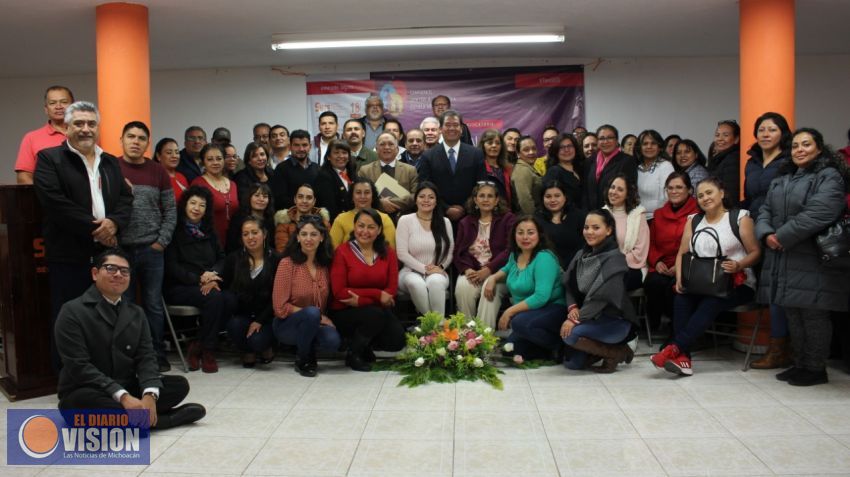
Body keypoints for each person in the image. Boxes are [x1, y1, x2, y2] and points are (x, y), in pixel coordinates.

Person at [55, 248, 206, 429]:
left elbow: (146, 356)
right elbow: (78, 366)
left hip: (126, 384)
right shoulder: (72, 311)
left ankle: (130, 417)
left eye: (124, 271)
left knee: (179, 385)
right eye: (111, 268)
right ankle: (166, 420)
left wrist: (149, 394)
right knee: (78, 404)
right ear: (95, 273)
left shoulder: (136, 313)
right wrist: (123, 397)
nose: (118, 274)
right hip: (88, 389)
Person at [34, 101, 133, 368]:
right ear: (66, 127)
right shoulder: (49, 158)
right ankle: (68, 378)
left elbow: (125, 199)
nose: (85, 129)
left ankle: (105, 373)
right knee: (69, 317)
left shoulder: (110, 161)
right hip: (69, 253)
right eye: (79, 123)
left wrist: (113, 223)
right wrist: (97, 230)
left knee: (107, 316)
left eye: (91, 124)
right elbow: (54, 202)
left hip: (107, 253)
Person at [756, 128, 850, 386]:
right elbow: (764, 210)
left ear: (819, 148)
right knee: (793, 312)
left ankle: (816, 368)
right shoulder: (783, 177)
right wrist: (765, 234)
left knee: (814, 314)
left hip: (813, 257)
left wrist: (781, 237)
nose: (799, 150)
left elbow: (820, 212)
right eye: (795, 145)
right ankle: (800, 364)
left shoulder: (829, 176)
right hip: (783, 256)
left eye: (806, 144)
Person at [651, 177, 761, 376]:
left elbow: (755, 252)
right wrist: (679, 279)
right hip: (700, 280)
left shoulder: (740, 217)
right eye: (700, 195)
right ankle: (684, 359)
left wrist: (738, 264)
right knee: (681, 296)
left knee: (711, 302)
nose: (705, 198)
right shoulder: (694, 220)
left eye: (709, 193)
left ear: (722, 193)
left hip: (735, 282)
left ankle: (674, 347)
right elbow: (682, 253)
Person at [117, 121, 177, 372]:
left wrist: (160, 242)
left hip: (152, 250)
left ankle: (156, 354)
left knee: (152, 304)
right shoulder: (111, 168)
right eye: (130, 136)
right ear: (122, 140)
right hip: (121, 251)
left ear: (147, 143)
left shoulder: (157, 171)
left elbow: (171, 210)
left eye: (141, 138)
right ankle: (130, 357)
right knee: (125, 306)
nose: (135, 141)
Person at [164, 186, 235, 373]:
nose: (197, 208)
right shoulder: (174, 231)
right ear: (185, 205)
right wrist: (199, 279)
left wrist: (212, 275)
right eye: (193, 203)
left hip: (208, 283)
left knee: (230, 299)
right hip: (180, 286)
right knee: (215, 297)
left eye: (202, 205)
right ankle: (208, 350)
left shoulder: (209, 231)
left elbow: (222, 257)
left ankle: (198, 345)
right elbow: (172, 267)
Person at [742, 112, 792, 370]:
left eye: (771, 129)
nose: (765, 134)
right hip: (754, 230)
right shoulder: (752, 161)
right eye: (761, 129)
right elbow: (748, 197)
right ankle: (778, 347)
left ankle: (781, 349)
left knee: (777, 292)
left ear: (782, 133)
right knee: (763, 289)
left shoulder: (790, 160)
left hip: (778, 233)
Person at [330, 208, 405, 371]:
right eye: (361, 226)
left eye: (371, 227)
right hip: (345, 311)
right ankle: (354, 353)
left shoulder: (388, 252)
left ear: (379, 230)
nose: (365, 231)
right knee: (374, 315)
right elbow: (340, 292)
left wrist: (363, 300)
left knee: (397, 340)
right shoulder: (342, 251)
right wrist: (377, 294)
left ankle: (365, 345)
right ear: (354, 227)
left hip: (375, 309)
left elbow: (391, 290)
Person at [561, 209, 636, 372]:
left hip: (613, 322)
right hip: (589, 318)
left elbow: (600, 299)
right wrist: (572, 307)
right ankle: (606, 351)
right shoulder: (581, 254)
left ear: (608, 230)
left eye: (596, 228)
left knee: (570, 334)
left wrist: (574, 319)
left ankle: (618, 352)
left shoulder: (615, 259)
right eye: (586, 227)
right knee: (572, 364)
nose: (589, 232)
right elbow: (568, 284)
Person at [484, 216, 566, 362]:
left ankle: (559, 345)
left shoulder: (544, 257)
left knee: (518, 323)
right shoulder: (516, 255)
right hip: (529, 313)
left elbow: (541, 297)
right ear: (514, 235)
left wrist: (509, 311)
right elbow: (506, 269)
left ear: (539, 235)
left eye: (530, 232)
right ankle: (546, 351)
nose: (525, 237)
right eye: (520, 232)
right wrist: (493, 278)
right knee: (510, 350)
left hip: (552, 308)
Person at [273, 215, 341, 377]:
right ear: (297, 237)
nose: (308, 239)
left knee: (333, 341)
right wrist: (318, 316)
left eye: (313, 234)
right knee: (311, 313)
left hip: (314, 323)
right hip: (286, 325)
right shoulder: (287, 264)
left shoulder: (324, 264)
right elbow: (279, 308)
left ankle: (307, 347)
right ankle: (303, 358)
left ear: (322, 237)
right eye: (304, 234)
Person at [454, 182, 516, 328]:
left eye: (490, 196)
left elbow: (511, 250)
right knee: (462, 286)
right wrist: (468, 270)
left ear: (496, 201)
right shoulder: (465, 222)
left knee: (488, 291)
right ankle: (467, 334)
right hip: (474, 271)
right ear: (475, 200)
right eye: (481, 196)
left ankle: (484, 337)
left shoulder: (508, 219)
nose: (485, 199)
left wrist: (488, 269)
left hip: (500, 272)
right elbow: (459, 252)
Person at [644, 172, 699, 331]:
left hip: (687, 265)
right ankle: (654, 325)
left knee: (675, 288)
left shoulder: (698, 213)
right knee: (653, 283)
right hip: (662, 264)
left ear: (689, 190)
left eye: (679, 187)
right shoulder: (659, 214)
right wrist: (657, 261)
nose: (674, 191)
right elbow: (652, 243)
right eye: (670, 188)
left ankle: (677, 329)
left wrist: (680, 266)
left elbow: (700, 245)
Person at [223, 217, 278, 368]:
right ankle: (247, 351)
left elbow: (279, 296)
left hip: (267, 317)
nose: (250, 237)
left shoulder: (277, 259)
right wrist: (212, 278)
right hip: (243, 316)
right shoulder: (234, 258)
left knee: (258, 341)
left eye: (255, 232)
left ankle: (265, 347)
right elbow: (222, 281)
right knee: (234, 325)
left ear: (264, 234)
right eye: (245, 234)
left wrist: (260, 320)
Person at [396, 182, 454, 316]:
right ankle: (435, 325)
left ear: (436, 201)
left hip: (437, 270)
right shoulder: (405, 220)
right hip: (409, 271)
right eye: (422, 196)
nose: (426, 200)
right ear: (416, 199)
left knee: (435, 282)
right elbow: (402, 254)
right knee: (416, 283)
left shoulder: (445, 222)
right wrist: (424, 269)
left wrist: (440, 267)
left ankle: (433, 327)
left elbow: (450, 251)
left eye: (431, 197)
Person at [418, 110, 486, 221]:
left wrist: (464, 208)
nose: (451, 128)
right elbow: (425, 187)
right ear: (440, 129)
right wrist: (446, 208)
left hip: (470, 215)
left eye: (455, 125)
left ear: (461, 129)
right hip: (438, 215)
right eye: (447, 125)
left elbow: (480, 186)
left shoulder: (476, 154)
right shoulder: (428, 156)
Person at [16, 85, 73, 184]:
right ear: (46, 109)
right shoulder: (32, 138)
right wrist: (46, 196)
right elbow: (23, 177)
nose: (58, 106)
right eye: (52, 103)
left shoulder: (87, 134)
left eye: (64, 102)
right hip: (46, 198)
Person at [602, 174, 649, 291]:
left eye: (620, 189)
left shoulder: (638, 215)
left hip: (631, 268)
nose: (614, 192)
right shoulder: (602, 213)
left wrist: (615, 261)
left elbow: (640, 252)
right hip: (604, 266)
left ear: (628, 194)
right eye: (612, 187)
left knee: (613, 283)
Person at [191, 144, 240, 248]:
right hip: (208, 242)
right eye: (210, 159)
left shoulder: (233, 184)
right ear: (203, 162)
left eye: (219, 158)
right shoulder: (198, 184)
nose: (215, 163)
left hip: (234, 241)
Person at [357, 132, 419, 216]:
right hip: (373, 218)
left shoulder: (410, 170)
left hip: (403, 217)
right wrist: (379, 203)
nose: (386, 147)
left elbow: (415, 195)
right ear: (376, 149)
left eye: (390, 144)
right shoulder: (365, 170)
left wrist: (388, 202)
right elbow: (360, 195)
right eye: (382, 144)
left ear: (397, 149)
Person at [329, 178, 396, 248]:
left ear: (373, 196)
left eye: (367, 192)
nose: (363, 196)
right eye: (358, 192)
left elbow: (391, 250)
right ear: (352, 196)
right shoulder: (341, 219)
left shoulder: (384, 219)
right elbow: (332, 250)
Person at [583, 125, 638, 209]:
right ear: (597, 141)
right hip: (592, 214)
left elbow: (629, 191)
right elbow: (585, 190)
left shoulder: (627, 161)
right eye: (601, 138)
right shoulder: (589, 161)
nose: (605, 141)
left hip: (615, 213)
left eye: (610, 138)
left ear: (616, 141)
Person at [536, 180, 586, 268]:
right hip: (546, 267)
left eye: (557, 196)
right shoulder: (536, 219)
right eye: (548, 196)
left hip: (576, 266)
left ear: (565, 197)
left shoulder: (579, 216)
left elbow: (585, 245)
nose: (553, 200)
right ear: (542, 198)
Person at [271, 129, 320, 210]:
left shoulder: (317, 168)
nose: (301, 149)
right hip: (290, 217)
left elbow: (320, 196)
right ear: (290, 147)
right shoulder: (281, 169)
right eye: (296, 145)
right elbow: (279, 199)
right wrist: (303, 207)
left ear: (310, 147)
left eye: (304, 145)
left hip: (314, 218)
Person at [274, 184, 330, 252]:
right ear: (295, 199)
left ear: (314, 201)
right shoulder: (284, 223)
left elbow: (327, 249)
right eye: (300, 197)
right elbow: (282, 251)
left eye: (309, 198)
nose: (304, 201)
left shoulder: (324, 223)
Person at [635, 129, 676, 220]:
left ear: (660, 147)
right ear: (639, 148)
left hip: (658, 218)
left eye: (653, 143)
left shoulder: (665, 166)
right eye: (645, 144)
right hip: (639, 218)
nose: (649, 146)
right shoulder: (638, 168)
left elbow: (667, 197)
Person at [225, 182, 276, 254]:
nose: (261, 199)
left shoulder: (270, 219)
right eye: (257, 195)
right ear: (249, 198)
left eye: (265, 196)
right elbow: (231, 245)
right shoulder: (238, 218)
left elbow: (272, 244)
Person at [314, 139, 357, 221]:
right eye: (336, 153)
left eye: (344, 153)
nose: (341, 156)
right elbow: (329, 207)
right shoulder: (323, 177)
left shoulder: (353, 173)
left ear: (349, 157)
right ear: (328, 157)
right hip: (336, 222)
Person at [542, 133, 585, 209]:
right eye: (562, 147)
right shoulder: (554, 172)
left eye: (570, 146)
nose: (566, 150)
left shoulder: (580, 169)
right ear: (556, 151)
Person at [707, 120, 742, 206]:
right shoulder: (719, 159)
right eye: (717, 135)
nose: (720, 139)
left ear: (736, 139)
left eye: (725, 135)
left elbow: (731, 193)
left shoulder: (733, 159)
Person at [479, 129, 513, 205]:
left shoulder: (509, 168)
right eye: (490, 143)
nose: (494, 146)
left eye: (498, 143)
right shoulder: (478, 168)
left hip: (506, 212)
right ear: (483, 146)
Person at [511, 136, 543, 215]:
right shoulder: (522, 170)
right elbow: (525, 200)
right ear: (518, 153)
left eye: (534, 148)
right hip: (527, 220)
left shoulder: (528, 167)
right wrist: (534, 220)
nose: (531, 152)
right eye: (526, 150)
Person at [156, 137, 188, 202]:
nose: (174, 156)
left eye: (177, 152)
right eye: (169, 152)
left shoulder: (182, 177)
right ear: (158, 156)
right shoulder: (155, 178)